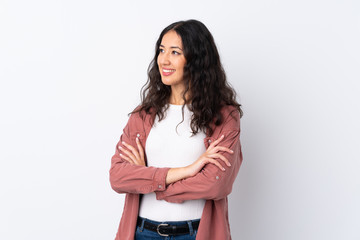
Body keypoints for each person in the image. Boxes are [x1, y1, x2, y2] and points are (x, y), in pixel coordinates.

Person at [109, 19, 243, 240]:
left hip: (196, 232)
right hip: (143, 233)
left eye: (175, 52)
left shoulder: (224, 117)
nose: (164, 59)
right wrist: (188, 170)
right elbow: (117, 177)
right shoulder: (143, 115)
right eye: (162, 50)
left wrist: (149, 182)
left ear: (197, 60)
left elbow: (216, 185)